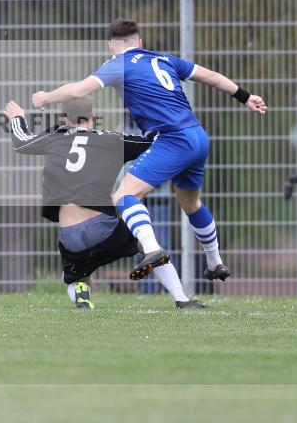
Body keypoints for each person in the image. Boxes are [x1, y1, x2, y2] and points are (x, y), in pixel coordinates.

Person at [32, 18, 267, 282]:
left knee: (123, 195)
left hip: (172, 139)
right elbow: (210, 77)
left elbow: (78, 90)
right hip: (198, 136)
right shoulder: (165, 59)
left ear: (111, 46)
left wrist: (46, 97)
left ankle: (152, 249)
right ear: (140, 42)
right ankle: (215, 262)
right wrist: (246, 96)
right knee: (190, 203)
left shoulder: (117, 64)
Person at [5, 96, 203, 309]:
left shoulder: (55, 136)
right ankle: (181, 298)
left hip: (70, 235)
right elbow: (153, 143)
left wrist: (17, 118)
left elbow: (21, 142)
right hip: (103, 228)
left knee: (76, 277)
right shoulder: (112, 140)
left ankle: (81, 292)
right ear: (92, 117)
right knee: (148, 247)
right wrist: (166, 121)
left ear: (64, 118)